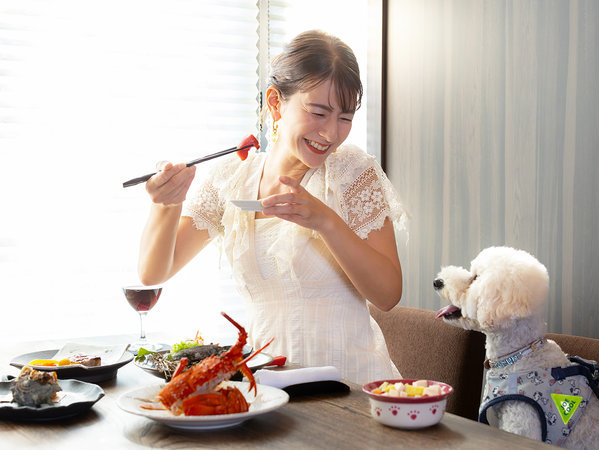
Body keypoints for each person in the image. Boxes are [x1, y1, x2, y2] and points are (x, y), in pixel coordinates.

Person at [138, 30, 407, 384]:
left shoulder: (351, 172)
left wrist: (324, 221)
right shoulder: (232, 179)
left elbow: (388, 295)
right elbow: (154, 273)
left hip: (350, 387)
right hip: (266, 391)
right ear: (275, 102)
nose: (330, 133)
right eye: (318, 112)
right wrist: (167, 204)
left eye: (345, 117)